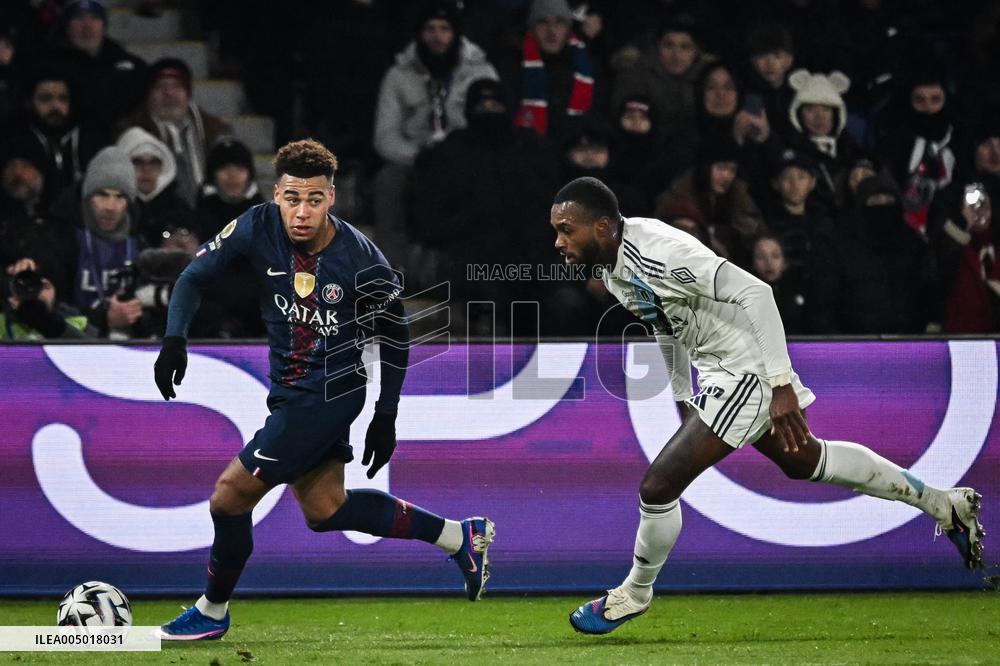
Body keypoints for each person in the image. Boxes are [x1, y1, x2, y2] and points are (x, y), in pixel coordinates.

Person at [548, 177, 984, 635]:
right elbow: (665, 326)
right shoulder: (615, 269)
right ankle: (942, 503)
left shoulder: (658, 251)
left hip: (749, 369)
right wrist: (681, 395)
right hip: (720, 371)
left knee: (658, 487)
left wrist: (780, 386)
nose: (558, 241)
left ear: (601, 227)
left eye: (565, 229)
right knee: (806, 460)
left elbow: (757, 292)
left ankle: (635, 592)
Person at [153, 139, 494, 640]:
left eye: (314, 199)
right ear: (276, 195)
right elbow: (193, 276)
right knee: (325, 509)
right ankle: (459, 537)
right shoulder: (256, 224)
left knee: (228, 499)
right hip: (291, 391)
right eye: (292, 198)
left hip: (328, 396)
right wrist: (174, 340)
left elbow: (396, 335)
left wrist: (386, 415)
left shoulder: (362, 259)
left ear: (332, 197)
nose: (302, 211)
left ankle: (212, 610)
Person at [372, 0, 497, 265]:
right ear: (419, 32)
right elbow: (384, 135)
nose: (437, 36)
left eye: (444, 28)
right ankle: (392, 267)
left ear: (456, 33)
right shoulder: (398, 75)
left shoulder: (480, 71)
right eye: (430, 28)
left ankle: (467, 267)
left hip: (465, 159)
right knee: (388, 181)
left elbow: (494, 124)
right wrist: (418, 155)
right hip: (414, 158)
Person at [119, 58, 233, 206]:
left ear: (188, 93)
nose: (169, 93)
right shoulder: (130, 134)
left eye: (177, 86)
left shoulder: (215, 130)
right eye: (160, 87)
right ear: (148, 94)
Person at [117, 126, 194, 248]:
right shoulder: (114, 207)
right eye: (137, 162)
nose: (146, 170)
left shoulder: (180, 209)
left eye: (154, 162)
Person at [196, 137, 264, 240]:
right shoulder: (196, 217)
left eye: (239, 169)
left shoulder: (264, 216)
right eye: (224, 168)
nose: (232, 175)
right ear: (212, 176)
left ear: (249, 176)